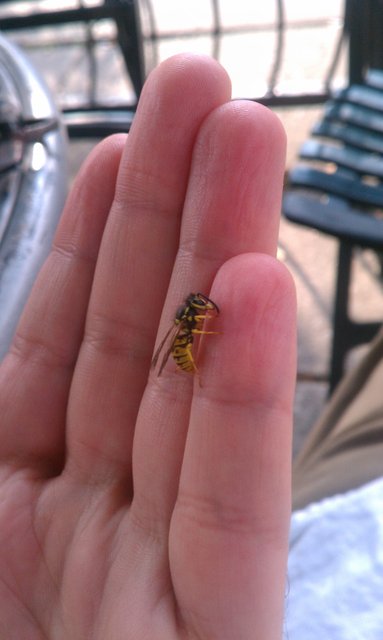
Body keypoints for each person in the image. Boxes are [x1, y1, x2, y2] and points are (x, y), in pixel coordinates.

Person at [0, 54, 296, 638]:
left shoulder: (196, 315)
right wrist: (186, 347)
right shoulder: (190, 324)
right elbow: (180, 342)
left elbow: (191, 329)